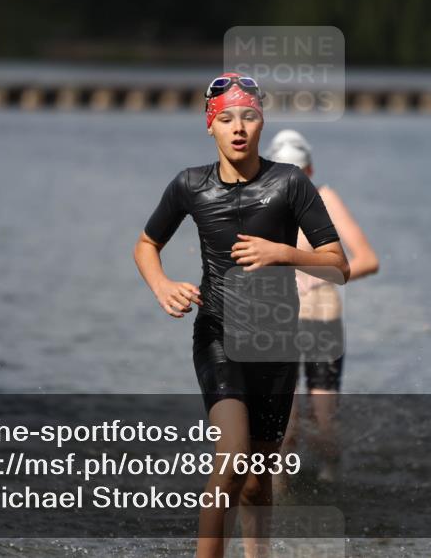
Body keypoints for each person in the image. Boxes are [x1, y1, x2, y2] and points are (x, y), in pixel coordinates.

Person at [133, 73, 350, 558]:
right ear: (210, 126)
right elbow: (147, 244)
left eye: (248, 118)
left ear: (260, 124)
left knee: (257, 481)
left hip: (277, 345)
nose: (238, 128)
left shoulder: (290, 184)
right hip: (218, 335)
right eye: (226, 119)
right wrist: (162, 285)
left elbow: (339, 265)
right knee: (230, 456)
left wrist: (282, 252)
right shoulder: (189, 185)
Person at [267, 131, 379, 486]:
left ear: (311, 170)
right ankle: (278, 497)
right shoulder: (261, 201)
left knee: (324, 420)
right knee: (284, 424)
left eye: (299, 172)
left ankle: (332, 475)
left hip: (321, 321)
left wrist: (306, 268)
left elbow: (367, 260)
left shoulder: (326, 200)